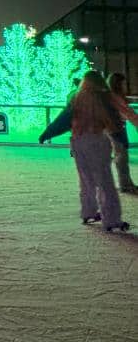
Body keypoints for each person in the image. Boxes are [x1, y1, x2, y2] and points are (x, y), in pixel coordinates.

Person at [39, 71, 129, 232]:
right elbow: (114, 120)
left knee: (86, 178)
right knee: (105, 180)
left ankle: (88, 212)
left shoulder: (77, 97)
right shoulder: (103, 97)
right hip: (97, 140)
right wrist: (122, 139)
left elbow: (63, 120)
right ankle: (111, 219)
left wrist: (47, 133)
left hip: (78, 141)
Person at [107, 73, 138, 193]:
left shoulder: (111, 95)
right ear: (117, 84)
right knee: (121, 156)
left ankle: (126, 183)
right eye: (123, 83)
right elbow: (127, 112)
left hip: (115, 128)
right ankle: (124, 184)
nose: (125, 86)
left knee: (121, 155)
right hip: (115, 129)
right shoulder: (114, 96)